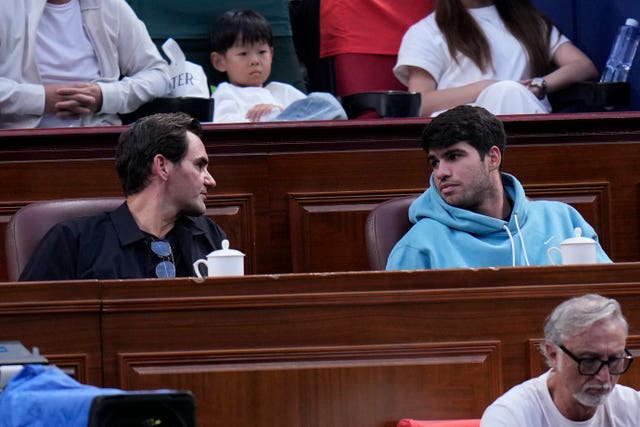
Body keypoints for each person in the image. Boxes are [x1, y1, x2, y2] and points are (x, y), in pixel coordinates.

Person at [386, 105, 611, 270]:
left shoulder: (562, 220)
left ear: (493, 158)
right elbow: (397, 330)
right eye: (435, 161)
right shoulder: (419, 246)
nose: (440, 172)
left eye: (453, 156)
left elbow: (610, 301)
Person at [19, 112, 226, 281]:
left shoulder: (209, 236)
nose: (211, 181)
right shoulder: (74, 240)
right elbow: (29, 322)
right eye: (199, 166)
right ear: (162, 166)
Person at [393, 0, 599, 116]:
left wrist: (538, 85)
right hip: (460, 129)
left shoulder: (528, 22)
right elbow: (419, 103)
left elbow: (582, 65)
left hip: (523, 112)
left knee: (509, 93)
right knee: (504, 91)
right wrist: (487, 88)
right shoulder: (427, 31)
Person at [0, 0, 170, 129]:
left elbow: (157, 73)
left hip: (97, 140)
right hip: (18, 145)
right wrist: (41, 99)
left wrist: (104, 96)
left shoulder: (110, 5)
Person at [481, 293, 640, 426]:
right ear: (553, 354)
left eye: (614, 360)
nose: (604, 377)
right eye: (589, 361)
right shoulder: (510, 416)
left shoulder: (634, 408)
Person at [209, 9, 346, 123]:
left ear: (271, 55)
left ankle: (282, 124)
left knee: (326, 100)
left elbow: (316, 111)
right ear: (220, 62)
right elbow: (224, 127)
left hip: (297, 138)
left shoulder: (282, 90)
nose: (255, 61)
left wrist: (280, 111)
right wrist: (266, 120)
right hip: (258, 140)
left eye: (262, 52)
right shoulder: (226, 93)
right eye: (243, 54)